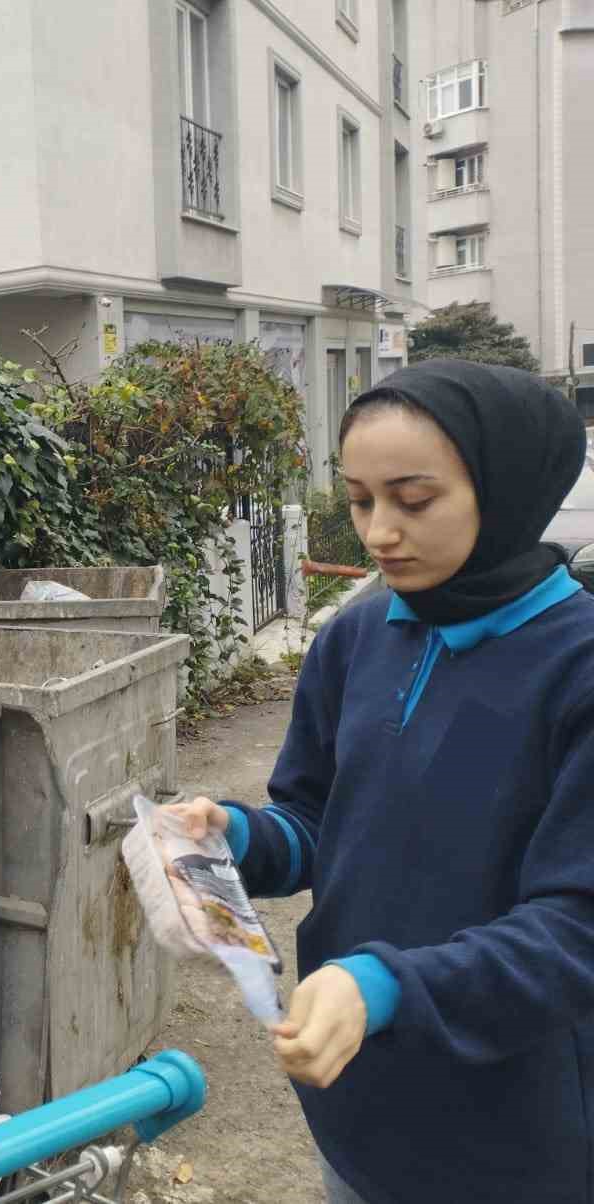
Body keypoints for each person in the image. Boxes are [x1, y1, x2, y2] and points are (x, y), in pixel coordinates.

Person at [167, 359, 594, 1204]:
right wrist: (240, 837)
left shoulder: (576, 668)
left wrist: (386, 984)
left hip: (515, 1124)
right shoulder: (356, 640)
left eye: (414, 499)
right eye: (360, 500)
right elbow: (318, 818)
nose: (377, 532)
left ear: (507, 488)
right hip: (356, 1095)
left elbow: (575, 930)